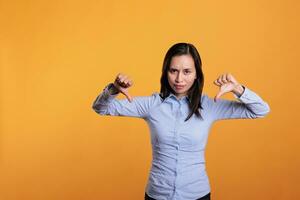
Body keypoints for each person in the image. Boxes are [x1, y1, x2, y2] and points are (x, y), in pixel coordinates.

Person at [92, 43, 270, 200]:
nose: (179, 79)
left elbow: (261, 110)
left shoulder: (209, 105)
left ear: (196, 74)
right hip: (157, 194)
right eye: (173, 71)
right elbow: (101, 108)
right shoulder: (151, 104)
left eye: (187, 71)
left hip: (197, 195)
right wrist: (114, 89)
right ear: (165, 72)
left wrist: (238, 89)